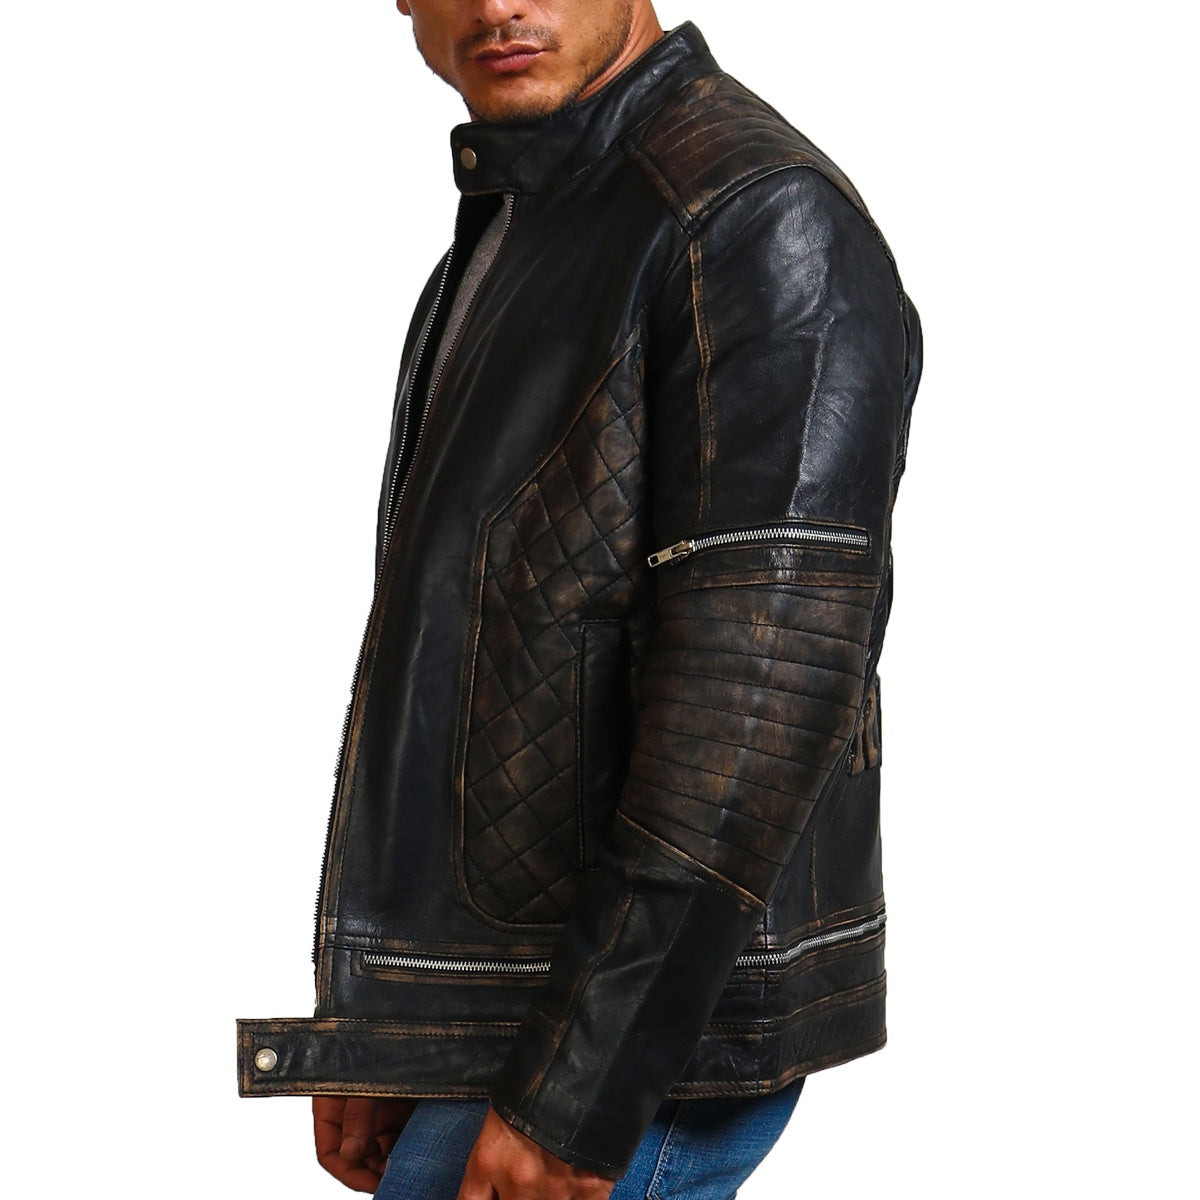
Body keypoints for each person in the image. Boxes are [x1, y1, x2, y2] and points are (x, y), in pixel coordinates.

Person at [238, 3, 922, 1197]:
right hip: (528, 1013)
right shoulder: (541, 212)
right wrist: (398, 1017)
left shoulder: (749, 213)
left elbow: (760, 692)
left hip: (620, 1042)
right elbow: (473, 658)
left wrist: (579, 1096)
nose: (500, 4)